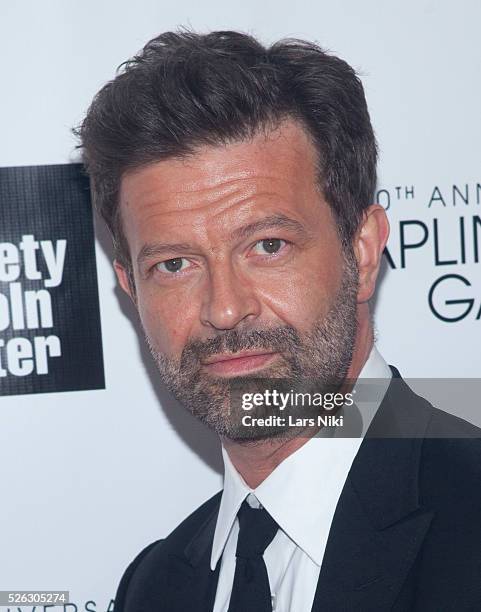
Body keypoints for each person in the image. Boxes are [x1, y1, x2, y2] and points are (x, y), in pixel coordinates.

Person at [76, 30, 481, 611]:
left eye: (267, 246)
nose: (224, 308)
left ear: (362, 252)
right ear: (131, 290)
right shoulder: (155, 588)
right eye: (175, 263)